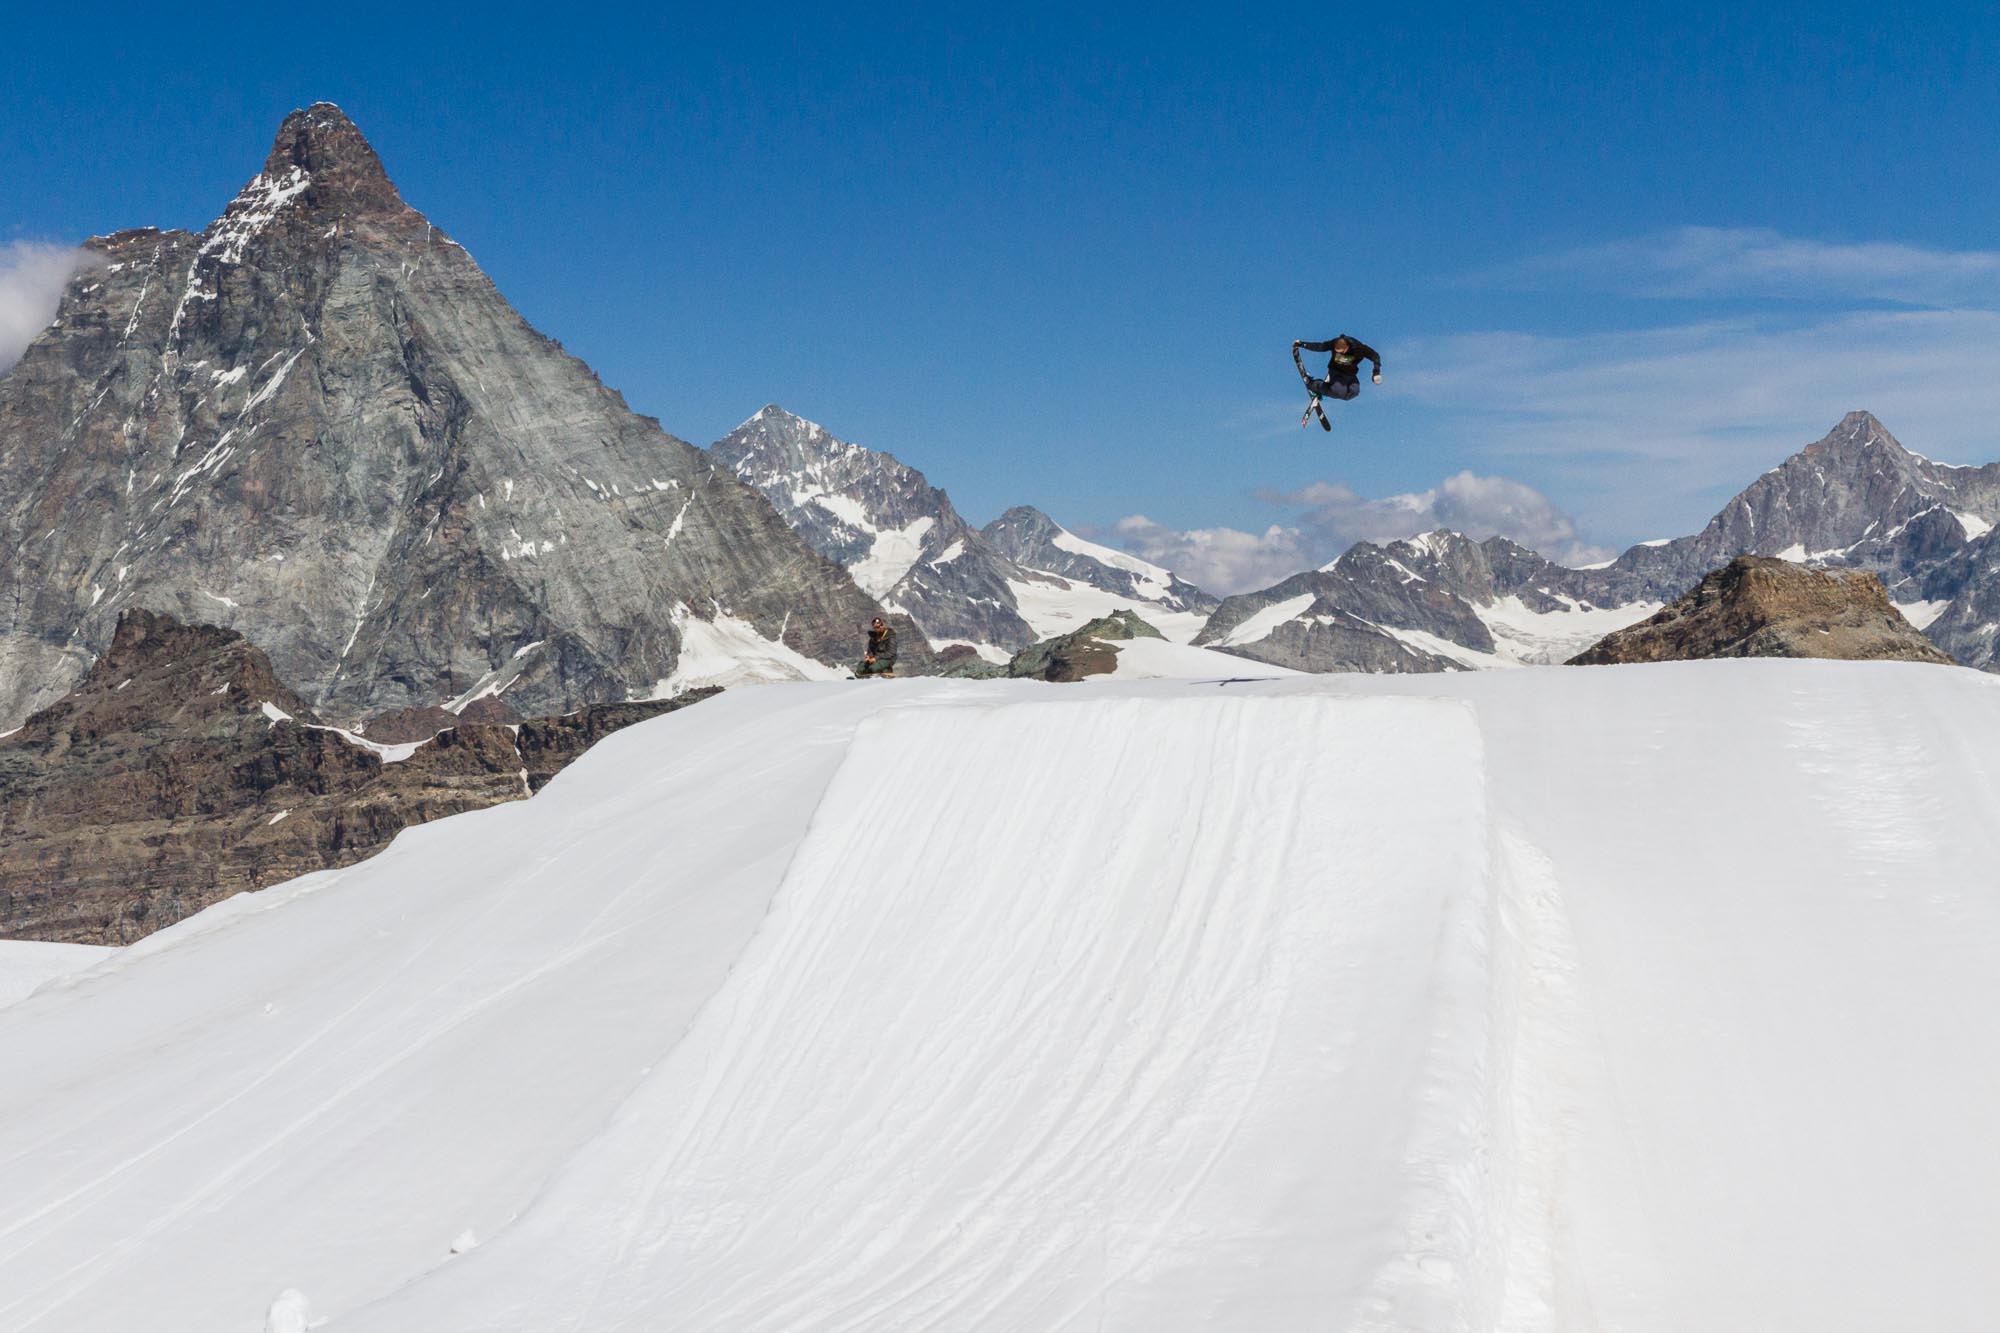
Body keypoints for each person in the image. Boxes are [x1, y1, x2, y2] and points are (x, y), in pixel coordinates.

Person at [1293, 334, 1382, 430]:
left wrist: (1376, 372)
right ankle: (1314, 385)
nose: (1337, 353)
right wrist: (1303, 344)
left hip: (1350, 375)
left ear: (1347, 348)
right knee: (1337, 391)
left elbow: (1375, 356)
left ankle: (1327, 389)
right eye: (1336, 351)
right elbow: (1320, 346)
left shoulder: (1359, 348)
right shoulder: (1335, 342)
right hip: (1336, 373)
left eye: (1341, 352)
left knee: (1354, 392)